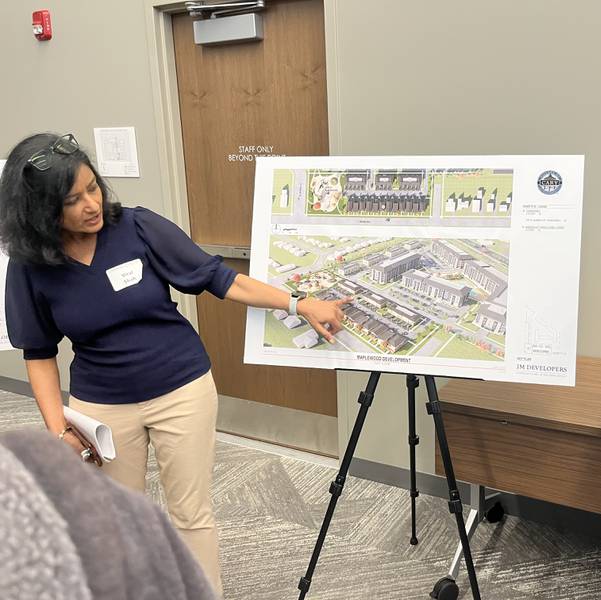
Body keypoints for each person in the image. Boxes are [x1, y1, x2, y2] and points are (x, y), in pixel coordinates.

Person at [0, 132, 350, 597]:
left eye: (93, 187)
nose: (91, 204)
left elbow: (219, 278)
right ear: (41, 211)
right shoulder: (31, 266)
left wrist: (298, 303)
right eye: (72, 200)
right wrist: (58, 429)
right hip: (102, 407)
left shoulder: (137, 227)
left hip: (182, 389)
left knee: (190, 513)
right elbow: (39, 352)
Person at [0, 428, 216, 600]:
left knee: (192, 517)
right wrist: (59, 429)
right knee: (113, 532)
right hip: (102, 404)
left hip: (180, 394)